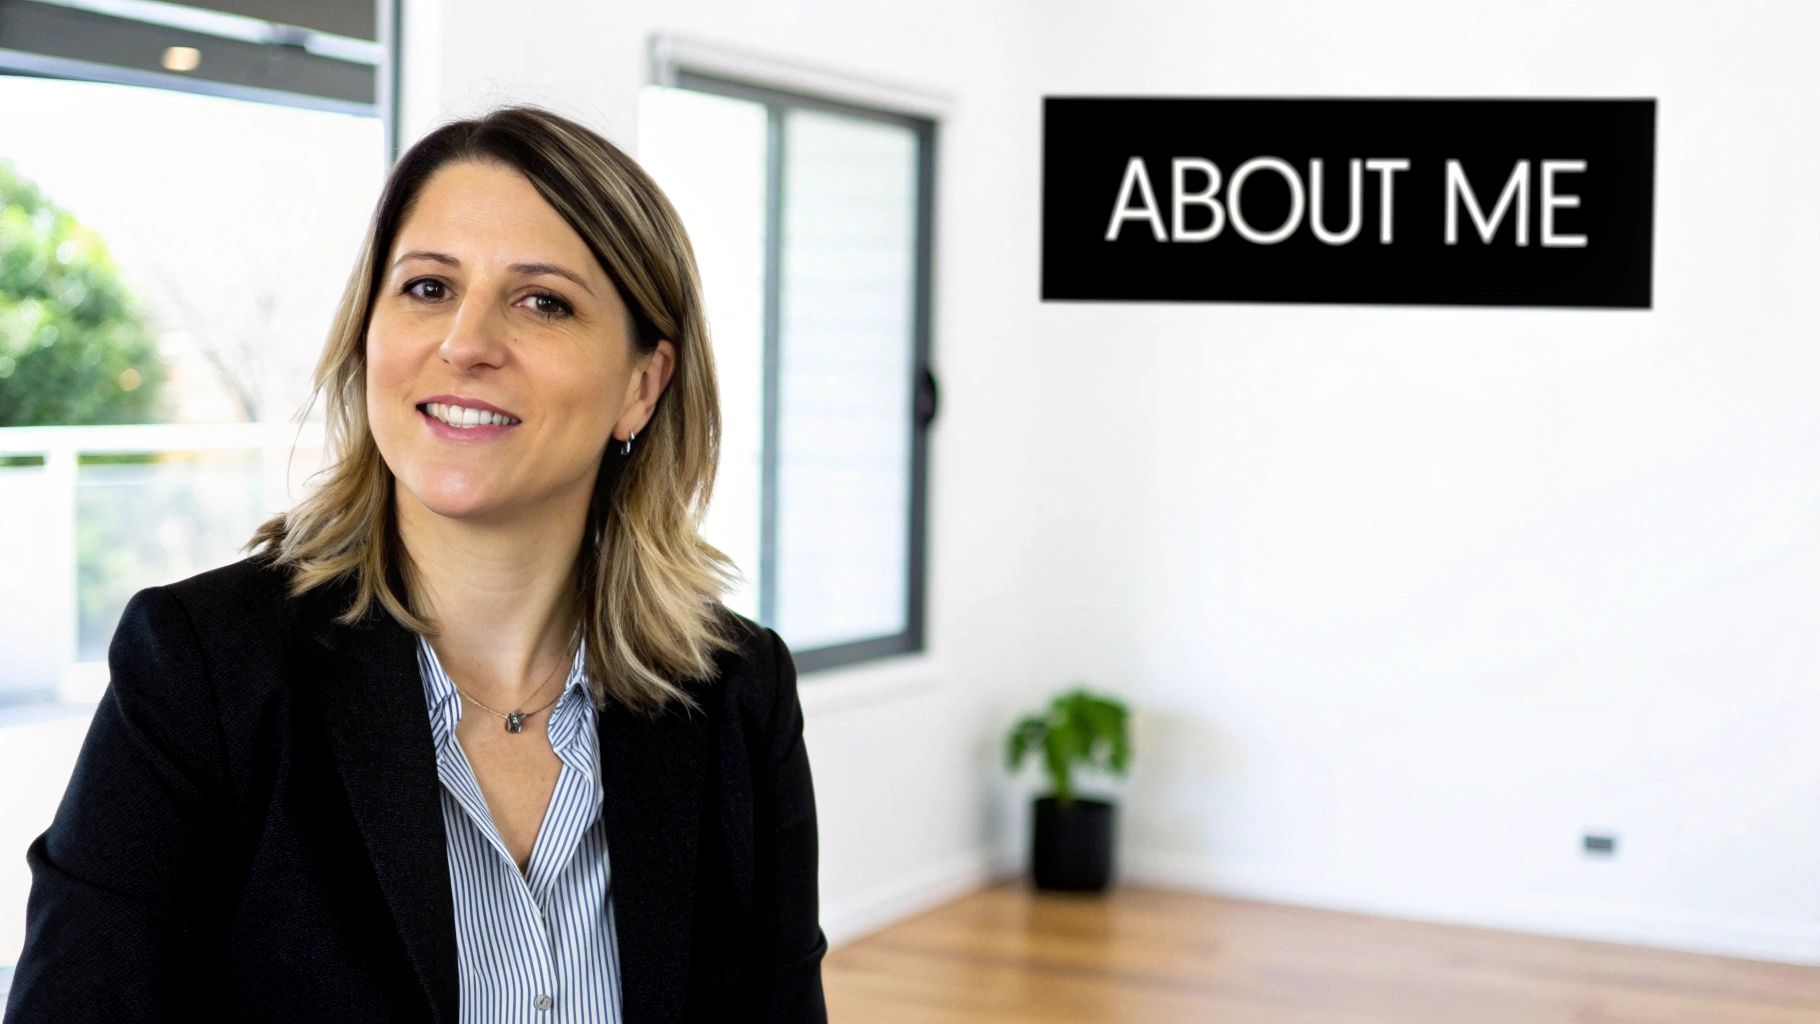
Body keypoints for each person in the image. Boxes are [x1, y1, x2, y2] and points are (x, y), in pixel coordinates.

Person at [3, 104, 828, 1024]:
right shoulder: (202, 670)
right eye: (429, 288)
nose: (465, 343)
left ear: (642, 386)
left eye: (542, 300)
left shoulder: (735, 694)